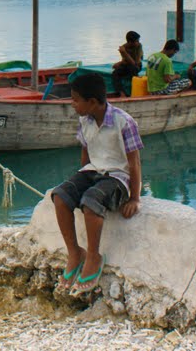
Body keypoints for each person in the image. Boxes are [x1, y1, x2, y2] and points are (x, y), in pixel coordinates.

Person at [51, 72, 142, 297]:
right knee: (61, 196)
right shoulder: (85, 120)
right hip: (93, 171)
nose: (72, 105)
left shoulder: (124, 122)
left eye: (75, 100)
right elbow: (86, 152)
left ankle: (93, 256)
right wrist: (78, 181)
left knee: (90, 203)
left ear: (92, 102)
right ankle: (75, 252)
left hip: (116, 178)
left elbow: (134, 163)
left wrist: (134, 198)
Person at [110, 30, 143, 97]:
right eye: (137, 41)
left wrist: (124, 53)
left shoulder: (139, 46)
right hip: (126, 65)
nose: (138, 42)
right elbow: (125, 61)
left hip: (137, 66)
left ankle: (134, 91)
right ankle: (121, 93)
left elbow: (135, 63)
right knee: (115, 73)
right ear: (130, 42)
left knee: (132, 68)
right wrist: (121, 62)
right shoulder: (124, 47)